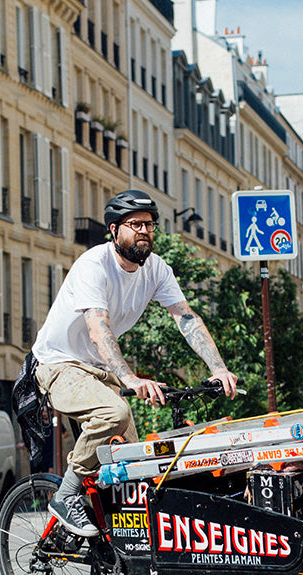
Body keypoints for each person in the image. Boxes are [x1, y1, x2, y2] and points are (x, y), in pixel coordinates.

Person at [31, 190, 239, 537]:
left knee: (136, 461)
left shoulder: (157, 269)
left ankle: (138, 556)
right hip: (59, 364)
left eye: (149, 225)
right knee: (114, 414)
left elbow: (185, 318)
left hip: (98, 370)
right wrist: (130, 377)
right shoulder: (93, 265)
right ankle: (66, 495)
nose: (144, 231)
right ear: (114, 230)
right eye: (135, 224)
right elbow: (98, 327)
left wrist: (218, 368)